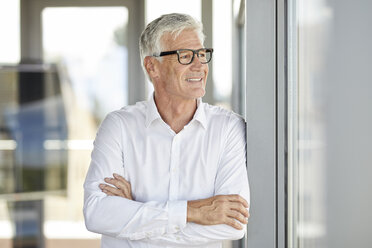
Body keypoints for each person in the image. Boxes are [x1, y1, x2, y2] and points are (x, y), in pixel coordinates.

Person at [83, 13, 250, 248]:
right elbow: (97, 213)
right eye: (185, 56)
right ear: (152, 66)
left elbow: (232, 226)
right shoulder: (118, 126)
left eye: (202, 54)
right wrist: (192, 211)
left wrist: (134, 214)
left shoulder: (228, 129)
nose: (199, 65)